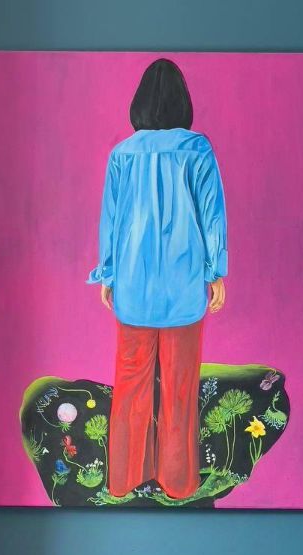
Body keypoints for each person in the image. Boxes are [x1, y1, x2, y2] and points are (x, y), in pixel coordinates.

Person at [87, 58, 227, 499]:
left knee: (130, 384)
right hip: (184, 286)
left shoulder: (122, 155)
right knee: (181, 388)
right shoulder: (198, 150)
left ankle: (123, 479)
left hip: (133, 285)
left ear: (140, 103)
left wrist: (108, 273)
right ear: (183, 102)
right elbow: (212, 216)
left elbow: (110, 220)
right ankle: (179, 483)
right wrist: (216, 272)